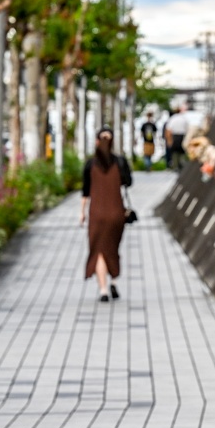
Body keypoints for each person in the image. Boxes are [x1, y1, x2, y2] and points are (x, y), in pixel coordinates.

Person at [80, 127, 132, 302]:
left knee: (99, 250)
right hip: (116, 213)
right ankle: (114, 281)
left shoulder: (90, 164)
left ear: (96, 141)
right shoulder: (120, 162)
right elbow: (128, 182)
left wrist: (82, 213)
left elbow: (85, 192)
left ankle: (103, 289)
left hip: (96, 213)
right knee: (112, 248)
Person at [165, 104, 189, 170]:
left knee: (175, 152)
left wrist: (169, 140)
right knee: (182, 151)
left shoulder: (173, 118)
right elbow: (187, 128)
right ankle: (182, 166)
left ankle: (175, 166)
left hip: (175, 136)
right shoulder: (183, 118)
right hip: (182, 136)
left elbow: (168, 130)